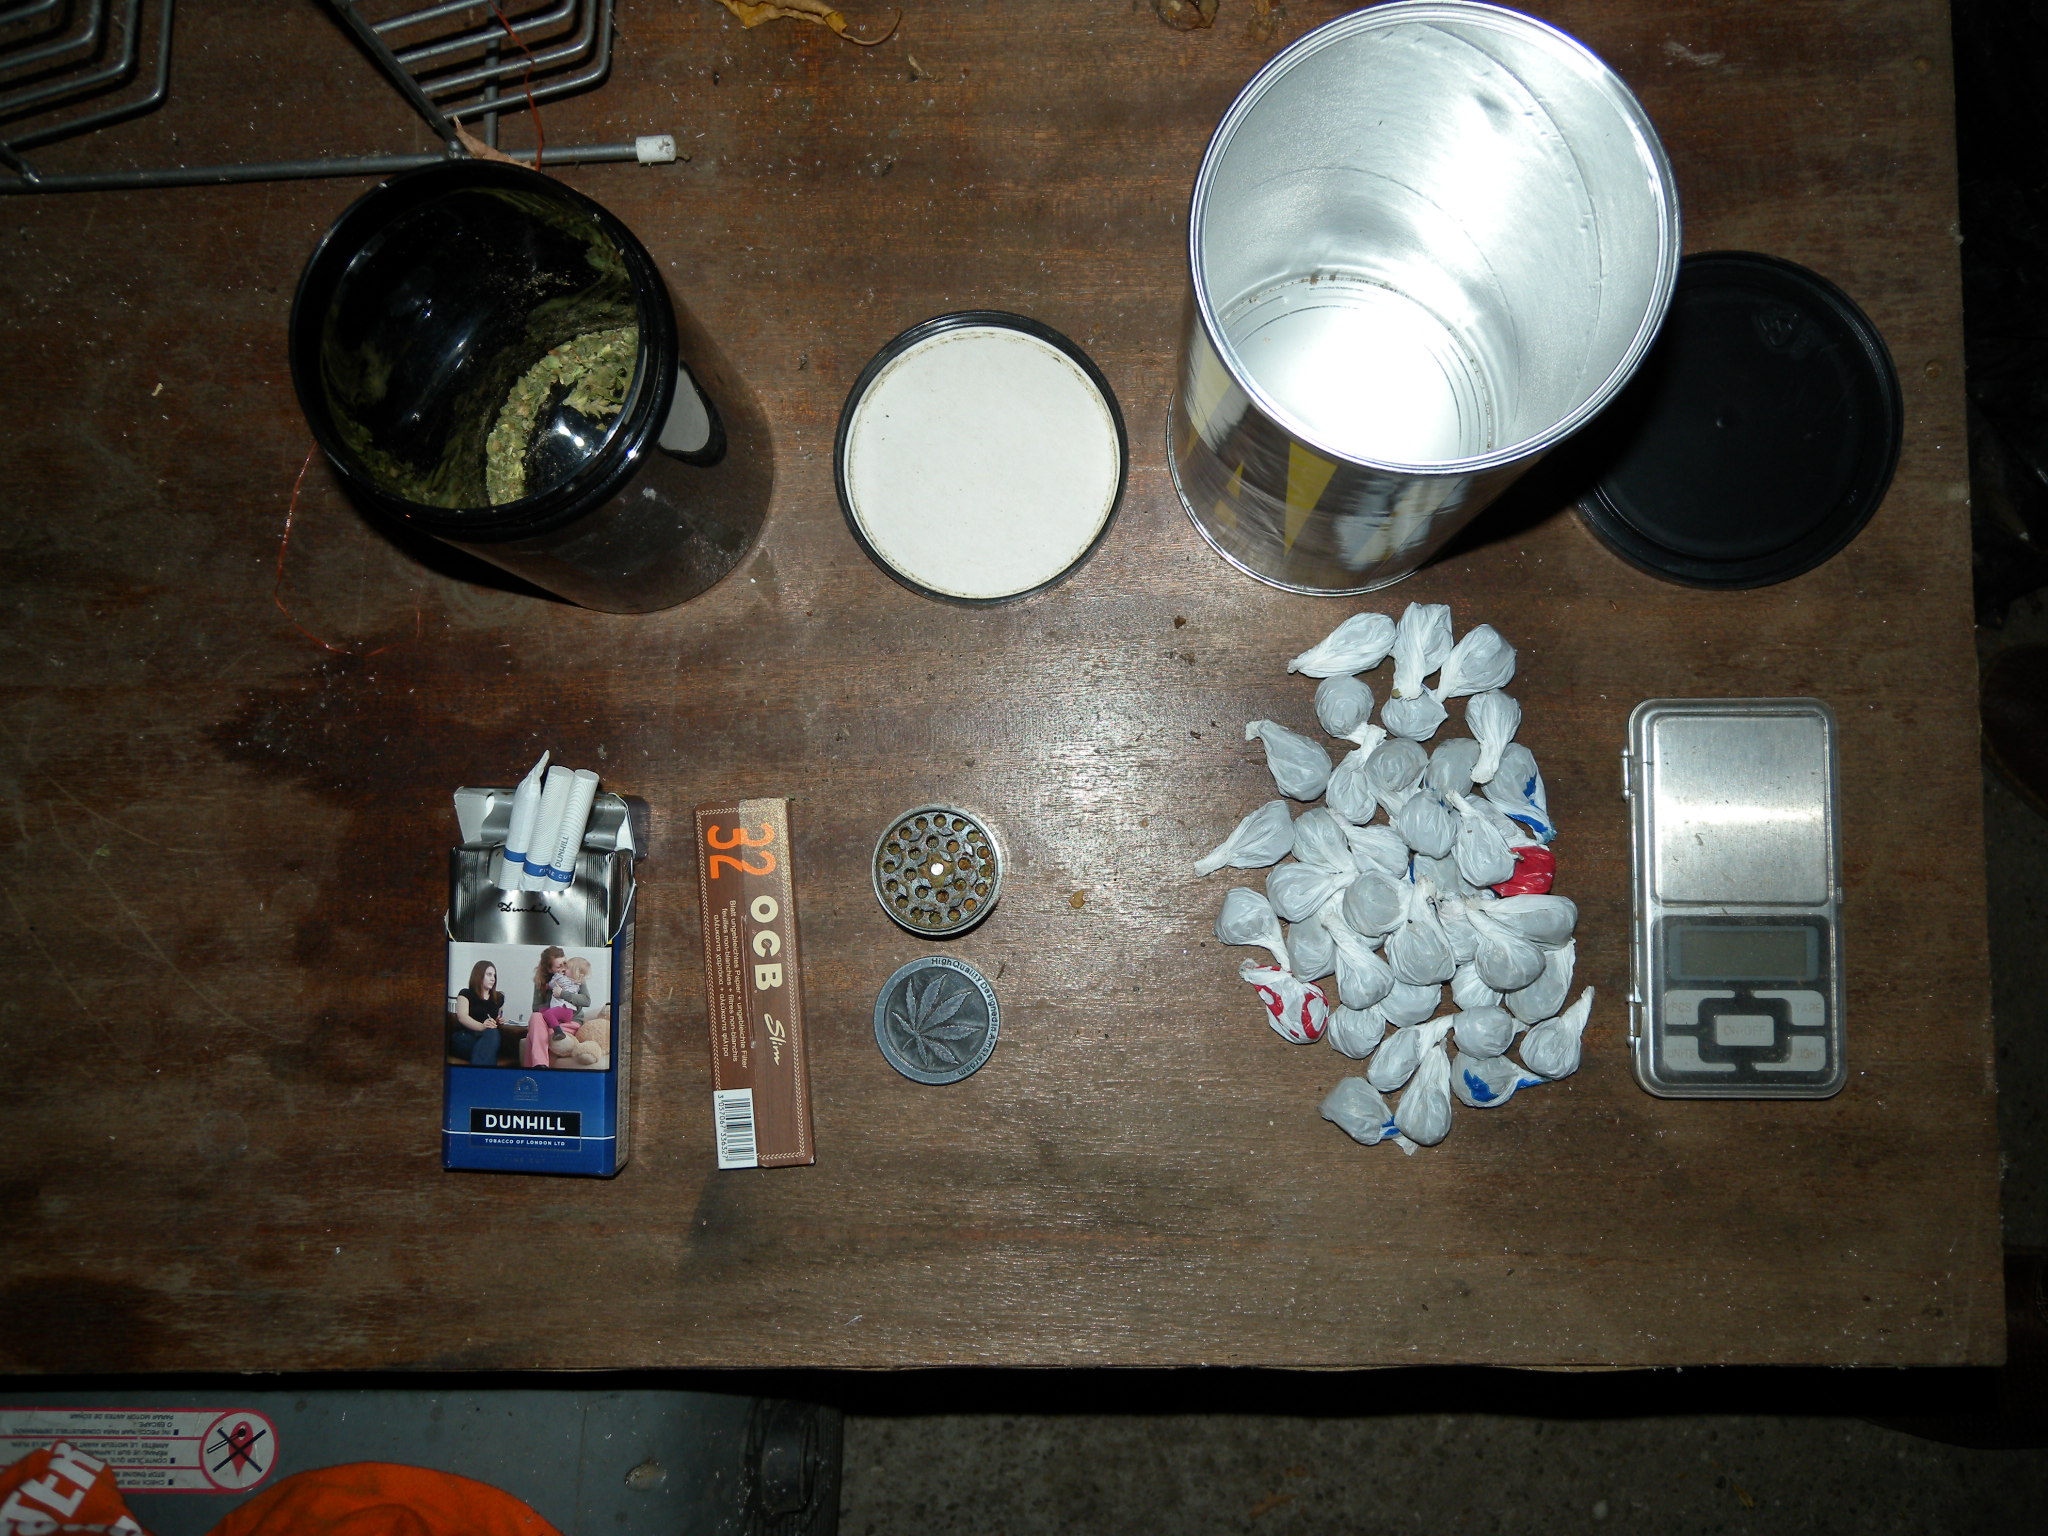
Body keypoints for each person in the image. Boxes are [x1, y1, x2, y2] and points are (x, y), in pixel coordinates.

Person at [524, 947, 588, 1068]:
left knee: (534, 1036)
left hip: (570, 1021)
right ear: (549, 969)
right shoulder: (543, 982)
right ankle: (540, 1066)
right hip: (550, 1021)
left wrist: (563, 994)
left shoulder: (575, 975)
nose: (563, 968)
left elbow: (586, 1000)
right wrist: (554, 1004)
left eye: (565, 963)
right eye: (558, 966)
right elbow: (536, 1008)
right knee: (536, 1016)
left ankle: (534, 1069)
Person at [450, 960, 505, 1067]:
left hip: (487, 1037)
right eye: (489, 974)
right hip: (465, 1037)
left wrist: (498, 1021)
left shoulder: (499, 998)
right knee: (489, 1043)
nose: (493, 979)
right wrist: (482, 1026)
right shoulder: (465, 994)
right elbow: (462, 1017)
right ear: (479, 975)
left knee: (491, 1034)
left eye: (494, 975)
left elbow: (497, 1018)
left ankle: (478, 1072)